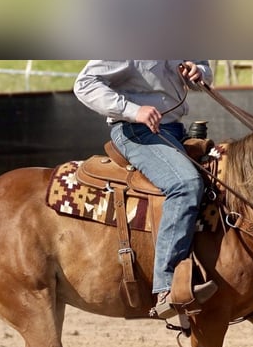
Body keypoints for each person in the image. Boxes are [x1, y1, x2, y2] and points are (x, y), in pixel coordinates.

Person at [73, 60, 217, 318]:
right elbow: (84, 84)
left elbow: (203, 67)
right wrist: (132, 110)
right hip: (137, 131)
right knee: (185, 185)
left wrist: (199, 72)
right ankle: (168, 286)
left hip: (173, 129)